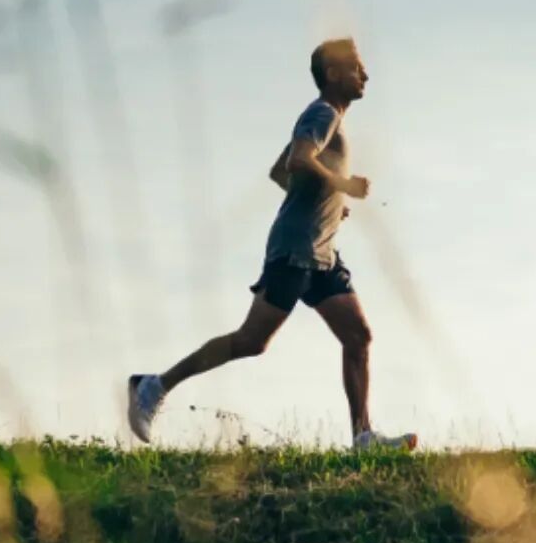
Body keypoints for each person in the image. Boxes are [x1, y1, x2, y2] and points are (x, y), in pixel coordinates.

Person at [126, 38, 417, 451]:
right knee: (251, 341)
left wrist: (328, 203)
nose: (365, 75)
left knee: (358, 337)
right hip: (295, 248)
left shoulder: (329, 118)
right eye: (356, 67)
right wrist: (342, 185)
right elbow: (298, 160)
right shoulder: (322, 113)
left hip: (321, 252)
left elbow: (280, 172)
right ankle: (153, 386)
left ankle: (363, 435)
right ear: (333, 73)